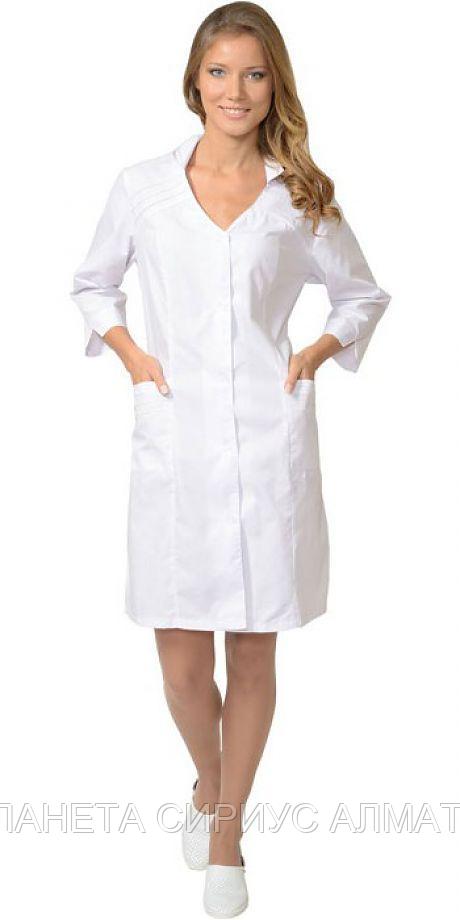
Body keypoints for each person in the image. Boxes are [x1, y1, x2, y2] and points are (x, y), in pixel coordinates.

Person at [70, 2, 391, 915]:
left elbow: (361, 297)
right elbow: (93, 283)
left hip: (266, 438)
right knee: (180, 664)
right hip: (174, 439)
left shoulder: (301, 197)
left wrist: (313, 351)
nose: (236, 91)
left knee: (252, 652)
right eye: (219, 72)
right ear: (194, 80)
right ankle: (211, 784)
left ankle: (225, 835)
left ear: (274, 83)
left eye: (254, 73)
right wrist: (132, 356)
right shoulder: (144, 187)